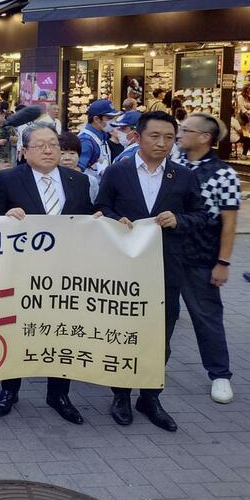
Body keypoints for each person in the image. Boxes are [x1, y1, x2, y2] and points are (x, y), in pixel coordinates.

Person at [95, 111, 208, 432]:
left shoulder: (183, 177)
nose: (161, 143)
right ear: (138, 137)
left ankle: (150, 395)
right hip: (124, 268)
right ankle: (120, 394)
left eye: (168, 138)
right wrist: (114, 219)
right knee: (122, 331)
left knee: (161, 336)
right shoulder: (117, 172)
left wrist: (180, 220)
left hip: (166, 269)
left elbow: (201, 215)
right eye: (154, 136)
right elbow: (101, 208)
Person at [0, 121, 97, 425]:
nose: (49, 150)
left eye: (54, 144)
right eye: (40, 145)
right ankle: (10, 389)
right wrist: (5, 217)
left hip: (66, 274)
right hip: (21, 274)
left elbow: (87, 221)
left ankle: (59, 393)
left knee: (62, 332)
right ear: (24, 151)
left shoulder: (78, 181)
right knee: (17, 331)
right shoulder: (8, 179)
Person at [175, 113, 239, 404]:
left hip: (201, 256)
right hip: (165, 252)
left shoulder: (223, 173)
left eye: (185, 130)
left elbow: (229, 223)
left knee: (206, 316)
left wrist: (222, 262)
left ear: (205, 138)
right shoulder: (174, 164)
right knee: (159, 315)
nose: (179, 134)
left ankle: (220, 374)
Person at [77, 99, 120, 182]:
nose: (113, 121)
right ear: (96, 119)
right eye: (109, 118)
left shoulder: (103, 136)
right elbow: (76, 172)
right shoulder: (86, 141)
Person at [58, 132, 100, 202]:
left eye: (72, 153)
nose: (67, 158)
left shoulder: (90, 181)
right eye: (62, 153)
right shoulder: (49, 180)